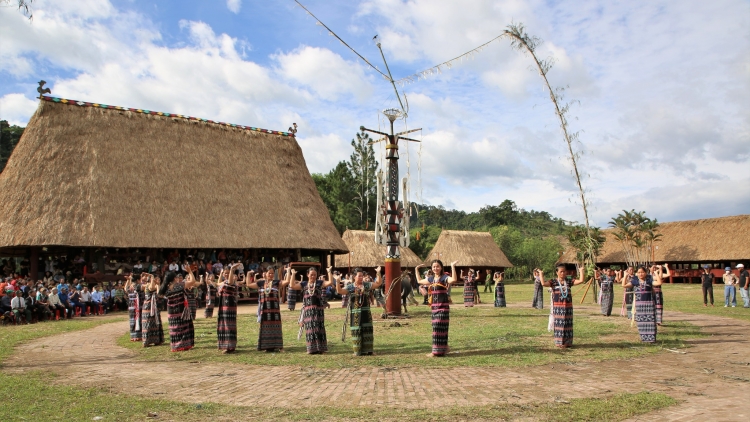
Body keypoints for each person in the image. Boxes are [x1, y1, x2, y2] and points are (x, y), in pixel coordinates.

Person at [335, 267, 382, 356]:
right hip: (355, 313)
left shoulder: (367, 285)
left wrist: (378, 273)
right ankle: (357, 351)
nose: (361, 278)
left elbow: (378, 283)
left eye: (362, 276)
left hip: (366, 313)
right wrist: (337, 281)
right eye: (359, 276)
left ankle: (369, 350)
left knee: (367, 330)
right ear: (354, 277)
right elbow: (339, 291)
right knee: (356, 330)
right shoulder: (350, 287)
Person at [415, 260, 458, 357]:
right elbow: (419, 281)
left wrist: (452, 266)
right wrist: (416, 270)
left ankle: (436, 352)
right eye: (434, 267)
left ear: (441, 267)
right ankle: (445, 347)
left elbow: (454, 279)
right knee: (440, 328)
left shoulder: (444, 278)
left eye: (437, 266)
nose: (435, 268)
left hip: (443, 307)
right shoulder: (431, 279)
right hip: (434, 308)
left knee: (438, 327)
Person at [539, 264, 585, 348]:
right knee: (559, 324)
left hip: (568, 307)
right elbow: (543, 284)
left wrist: (581, 271)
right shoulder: (553, 282)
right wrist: (541, 274)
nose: (563, 273)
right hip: (558, 308)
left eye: (564, 271)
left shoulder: (569, 281)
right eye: (561, 271)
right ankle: (559, 342)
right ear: (557, 272)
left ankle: (568, 342)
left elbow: (581, 280)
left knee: (568, 324)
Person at [289, 266, 332, 354]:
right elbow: (292, 285)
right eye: (311, 274)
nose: (313, 276)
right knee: (310, 328)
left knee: (319, 328)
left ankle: (321, 349)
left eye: (315, 275)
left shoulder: (319, 283)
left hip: (318, 309)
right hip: (308, 310)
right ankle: (311, 349)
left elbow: (330, 282)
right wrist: (293, 274)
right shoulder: (304, 284)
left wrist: (329, 272)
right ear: (307, 275)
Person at [246, 265, 290, 352]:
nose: (271, 275)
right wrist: (248, 274)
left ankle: (280, 347)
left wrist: (288, 271)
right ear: (265, 274)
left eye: (272, 273)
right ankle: (267, 346)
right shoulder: (261, 283)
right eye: (269, 273)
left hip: (275, 310)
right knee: (265, 327)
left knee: (276, 327)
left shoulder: (276, 283)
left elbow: (287, 281)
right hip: (265, 309)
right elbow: (248, 284)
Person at [622, 265, 665, 343]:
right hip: (639, 305)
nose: (640, 274)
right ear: (636, 273)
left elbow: (659, 282)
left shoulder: (649, 280)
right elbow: (624, 285)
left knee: (650, 321)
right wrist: (625, 276)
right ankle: (644, 338)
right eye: (638, 272)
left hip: (649, 304)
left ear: (645, 273)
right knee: (641, 322)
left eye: (642, 272)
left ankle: (651, 339)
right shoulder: (635, 281)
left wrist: (656, 273)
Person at [160, 270, 197, 352]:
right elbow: (193, 281)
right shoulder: (179, 286)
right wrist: (190, 271)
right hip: (181, 310)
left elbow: (160, 294)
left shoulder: (165, 288)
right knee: (184, 327)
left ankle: (175, 346)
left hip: (171, 311)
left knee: (175, 329)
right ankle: (184, 345)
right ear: (174, 278)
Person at [216, 264, 241, 353]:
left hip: (229, 306)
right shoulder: (223, 283)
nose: (226, 275)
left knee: (228, 325)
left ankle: (229, 346)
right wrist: (221, 273)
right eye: (225, 274)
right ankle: (225, 345)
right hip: (223, 306)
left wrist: (231, 269)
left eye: (227, 273)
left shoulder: (231, 282)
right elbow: (218, 283)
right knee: (223, 324)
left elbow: (229, 281)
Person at [141, 274, 164, 347]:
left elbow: (160, 294)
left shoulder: (155, 286)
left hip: (154, 306)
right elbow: (152, 288)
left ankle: (157, 340)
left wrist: (158, 284)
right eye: (156, 280)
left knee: (156, 322)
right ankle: (147, 341)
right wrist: (152, 277)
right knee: (148, 323)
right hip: (148, 307)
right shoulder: (148, 286)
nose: (158, 281)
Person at [125, 275, 143, 341]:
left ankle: (133, 336)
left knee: (132, 321)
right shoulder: (137, 286)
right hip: (137, 306)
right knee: (138, 320)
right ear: (138, 280)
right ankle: (138, 336)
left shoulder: (130, 287)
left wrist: (128, 280)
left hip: (131, 306)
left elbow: (125, 288)